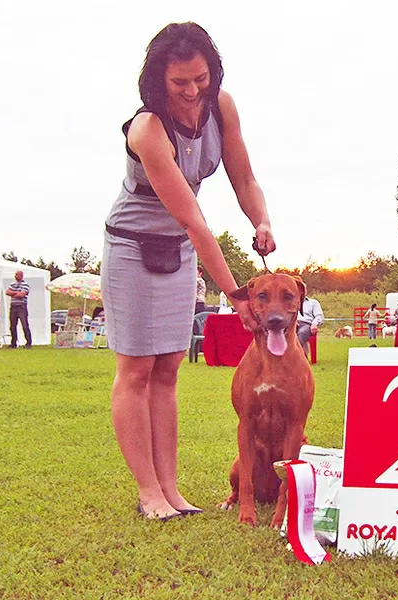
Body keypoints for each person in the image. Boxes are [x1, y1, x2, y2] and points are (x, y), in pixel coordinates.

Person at [101, 23, 276, 520]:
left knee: (171, 366)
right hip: (133, 246)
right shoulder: (147, 129)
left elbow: (243, 177)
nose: (193, 90)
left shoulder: (222, 106)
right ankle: (149, 492)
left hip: (178, 248)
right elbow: (195, 221)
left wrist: (260, 217)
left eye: (200, 78)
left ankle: (172, 490)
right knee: (136, 369)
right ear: (159, 80)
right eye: (180, 83)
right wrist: (238, 294)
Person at [5, 270, 32, 348]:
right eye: (15, 274)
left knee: (25, 325)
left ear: (21, 275)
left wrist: (13, 293)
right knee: (12, 326)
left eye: (17, 274)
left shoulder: (25, 284)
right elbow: (7, 292)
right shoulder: (12, 284)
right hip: (13, 306)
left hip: (21, 306)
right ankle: (13, 343)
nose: (15, 276)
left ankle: (28, 343)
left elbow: (22, 294)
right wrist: (17, 293)